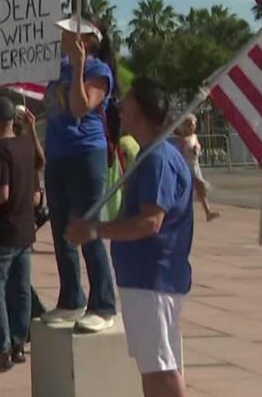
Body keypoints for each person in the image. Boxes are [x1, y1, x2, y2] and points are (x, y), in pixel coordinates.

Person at [68, 78, 193, 397]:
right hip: (149, 277)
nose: (120, 107)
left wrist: (95, 230)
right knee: (157, 367)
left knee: (161, 369)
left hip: (151, 277)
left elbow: (150, 222)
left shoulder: (157, 158)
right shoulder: (154, 155)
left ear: (142, 110)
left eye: (128, 102)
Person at [40, 15, 118, 333]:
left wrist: (79, 65)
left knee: (87, 229)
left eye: (69, 33)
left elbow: (79, 106)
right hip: (57, 155)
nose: (61, 37)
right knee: (61, 232)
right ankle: (71, 298)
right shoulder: (56, 67)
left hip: (86, 153)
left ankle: (103, 304)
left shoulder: (98, 70)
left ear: (87, 39)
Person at [0, 97, 40, 371]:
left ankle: (1, 346)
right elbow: (36, 193)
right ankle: (19, 343)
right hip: (26, 228)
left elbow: (2, 193)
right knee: (21, 289)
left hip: (4, 229)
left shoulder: (0, 150)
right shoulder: (26, 146)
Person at [170, 114, 221, 222]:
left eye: (194, 125)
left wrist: (196, 150)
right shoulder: (182, 138)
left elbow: (196, 148)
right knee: (190, 188)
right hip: (185, 166)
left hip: (195, 165)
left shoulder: (194, 136)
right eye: (190, 124)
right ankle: (177, 212)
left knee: (200, 189)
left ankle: (208, 212)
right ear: (185, 125)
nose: (193, 127)